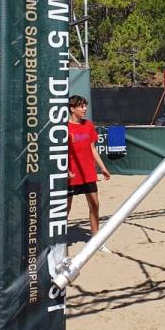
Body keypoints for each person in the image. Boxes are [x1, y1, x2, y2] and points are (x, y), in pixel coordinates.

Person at [67, 95, 111, 246]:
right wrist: (66, 169)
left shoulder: (88, 125)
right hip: (71, 175)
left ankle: (96, 240)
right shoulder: (64, 127)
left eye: (85, 106)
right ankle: (56, 241)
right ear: (72, 109)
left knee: (95, 204)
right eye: (81, 106)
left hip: (88, 173)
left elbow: (92, 148)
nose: (85, 109)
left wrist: (103, 168)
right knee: (65, 208)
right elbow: (60, 152)